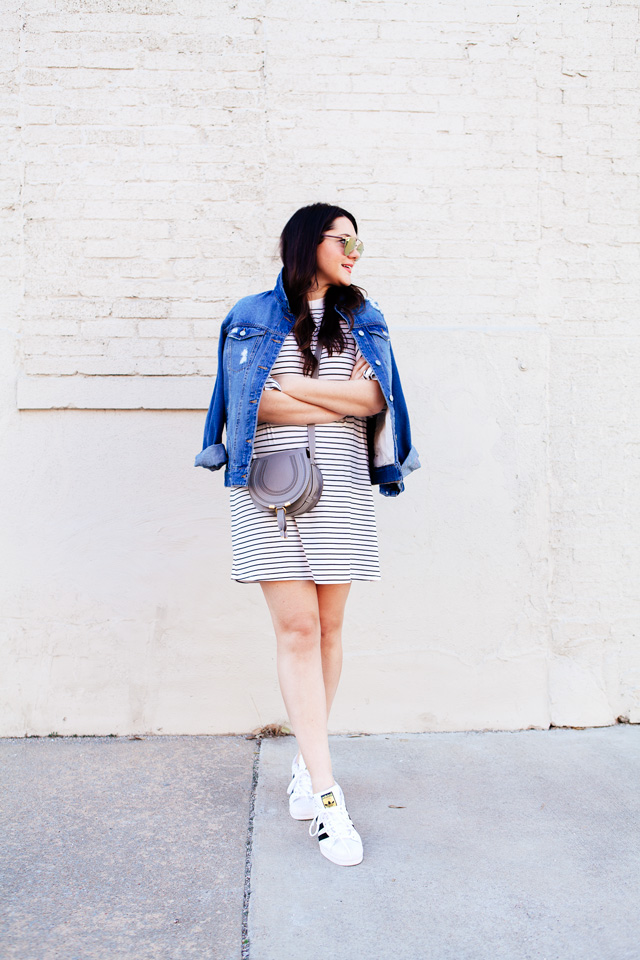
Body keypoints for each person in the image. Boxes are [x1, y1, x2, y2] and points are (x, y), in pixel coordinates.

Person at [195, 203, 419, 866]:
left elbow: (377, 402)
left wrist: (291, 386)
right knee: (294, 631)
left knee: (327, 628)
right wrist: (329, 393)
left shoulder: (364, 319)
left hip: (345, 483)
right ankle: (326, 795)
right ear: (306, 242)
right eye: (342, 238)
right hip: (268, 485)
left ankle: (304, 758)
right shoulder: (250, 316)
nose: (353, 250)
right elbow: (249, 402)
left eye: (359, 241)